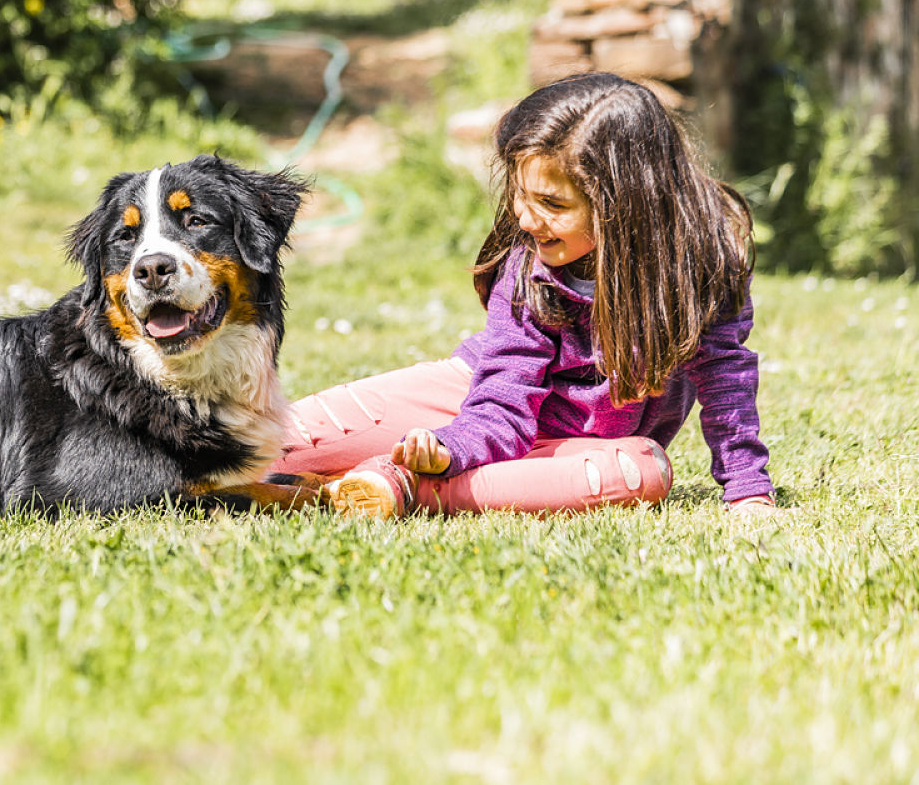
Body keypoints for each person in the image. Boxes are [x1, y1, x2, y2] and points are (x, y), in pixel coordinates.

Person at [272, 72, 780, 520]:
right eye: (520, 193)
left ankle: (400, 487)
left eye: (552, 203)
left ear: (624, 204)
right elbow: (502, 404)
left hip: (574, 451)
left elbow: (724, 379)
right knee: (265, 441)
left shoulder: (702, 266)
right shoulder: (527, 269)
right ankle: (326, 476)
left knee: (640, 470)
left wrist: (748, 489)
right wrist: (451, 447)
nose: (525, 217)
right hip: (477, 398)